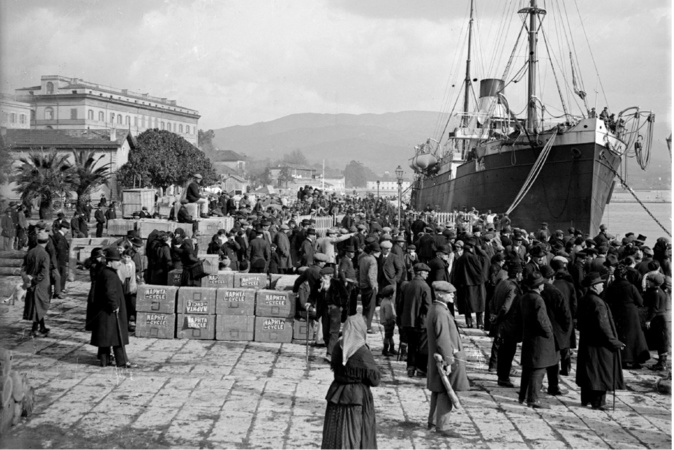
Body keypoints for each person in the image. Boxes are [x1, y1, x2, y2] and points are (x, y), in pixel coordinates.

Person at [321, 315, 380, 449]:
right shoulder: (362, 351)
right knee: (354, 436)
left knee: (335, 436)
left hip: (336, 395)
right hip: (356, 399)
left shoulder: (337, 347)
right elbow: (375, 379)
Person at [576, 272, 625, 410]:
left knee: (588, 371)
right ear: (593, 286)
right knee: (600, 372)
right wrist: (615, 342)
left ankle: (585, 399)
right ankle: (598, 402)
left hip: (587, 340)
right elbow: (604, 326)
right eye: (600, 284)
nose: (603, 285)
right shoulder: (598, 303)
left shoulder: (584, 299)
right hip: (599, 343)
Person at [426, 280, 469, 437]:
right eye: (449, 293)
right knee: (445, 390)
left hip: (437, 358)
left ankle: (432, 422)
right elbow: (443, 339)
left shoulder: (436, 309)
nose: (452, 295)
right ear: (439, 295)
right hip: (443, 359)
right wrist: (449, 361)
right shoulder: (441, 312)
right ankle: (442, 426)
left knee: (437, 390)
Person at [518, 271, 557, 409]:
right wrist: (549, 333)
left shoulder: (525, 297)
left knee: (528, 368)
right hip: (540, 339)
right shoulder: (538, 299)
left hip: (528, 336)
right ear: (539, 286)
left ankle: (523, 396)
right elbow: (542, 320)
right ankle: (533, 399)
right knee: (538, 370)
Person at [90, 247, 131, 368]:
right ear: (109, 262)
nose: (119, 263)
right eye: (116, 261)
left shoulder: (104, 271)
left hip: (103, 310)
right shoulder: (110, 275)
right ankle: (122, 361)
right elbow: (110, 292)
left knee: (105, 336)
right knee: (117, 335)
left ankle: (104, 360)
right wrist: (115, 305)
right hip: (110, 310)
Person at [604, 264, 650, 369]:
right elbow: (640, 301)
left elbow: (606, 299)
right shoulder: (631, 287)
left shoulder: (611, 286)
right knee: (634, 337)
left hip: (616, 313)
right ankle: (635, 359)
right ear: (625, 276)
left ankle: (622, 359)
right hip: (630, 314)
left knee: (619, 335)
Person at [490, 260, 523, 387]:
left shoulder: (503, 283)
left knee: (503, 351)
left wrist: (493, 316)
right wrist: (499, 317)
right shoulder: (514, 288)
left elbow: (492, 301)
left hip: (501, 324)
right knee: (508, 352)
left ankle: (501, 376)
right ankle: (504, 377)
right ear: (518, 274)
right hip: (509, 325)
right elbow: (505, 307)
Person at [401, 262, 433, 377]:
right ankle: (421, 369)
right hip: (421, 322)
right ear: (421, 273)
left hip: (408, 322)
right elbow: (428, 306)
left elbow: (400, 304)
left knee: (412, 345)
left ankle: (410, 368)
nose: (427, 275)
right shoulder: (425, 287)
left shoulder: (407, 285)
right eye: (426, 273)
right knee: (422, 347)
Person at [22, 229, 51, 338]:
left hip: (31, 283)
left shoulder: (30, 252)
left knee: (36, 306)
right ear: (47, 241)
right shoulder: (45, 255)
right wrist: (34, 280)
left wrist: (27, 279)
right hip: (41, 285)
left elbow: (23, 267)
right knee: (39, 306)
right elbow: (43, 274)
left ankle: (41, 327)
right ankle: (35, 329)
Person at [317, 266, 347, 362]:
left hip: (335, 310)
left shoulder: (337, 284)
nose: (321, 278)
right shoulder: (320, 285)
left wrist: (341, 306)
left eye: (323, 276)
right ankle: (333, 349)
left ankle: (329, 354)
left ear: (329, 276)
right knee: (326, 333)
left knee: (333, 332)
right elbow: (313, 295)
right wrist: (309, 302)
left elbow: (345, 296)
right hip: (325, 310)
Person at [644, 272, 670, 371]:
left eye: (649, 281)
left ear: (654, 283)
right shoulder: (660, 291)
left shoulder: (656, 293)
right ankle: (661, 362)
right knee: (661, 341)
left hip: (658, 319)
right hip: (661, 318)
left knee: (660, 341)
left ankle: (661, 363)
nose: (647, 283)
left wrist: (648, 320)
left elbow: (654, 309)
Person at [378, 285, 397, 356]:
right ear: (390, 295)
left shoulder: (384, 301)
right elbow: (388, 315)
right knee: (387, 336)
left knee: (390, 335)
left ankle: (392, 348)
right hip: (388, 322)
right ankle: (385, 349)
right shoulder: (388, 303)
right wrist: (393, 319)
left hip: (386, 322)